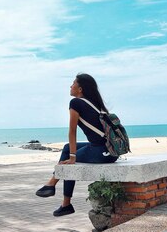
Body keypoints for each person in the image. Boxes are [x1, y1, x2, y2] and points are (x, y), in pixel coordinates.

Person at [35, 73, 118, 216]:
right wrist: (72, 153)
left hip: (102, 152)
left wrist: (73, 157)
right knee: (68, 148)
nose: (70, 85)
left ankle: (53, 185)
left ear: (80, 89)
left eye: (73, 83)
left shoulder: (76, 103)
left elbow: (72, 131)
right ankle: (63, 201)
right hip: (109, 151)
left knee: (68, 161)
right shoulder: (95, 104)